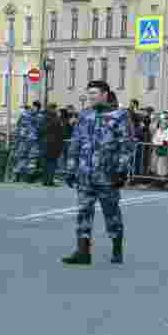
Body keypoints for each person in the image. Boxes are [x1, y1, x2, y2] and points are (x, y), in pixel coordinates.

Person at [61, 82, 134, 266]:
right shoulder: (85, 115)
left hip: (108, 175)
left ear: (105, 94)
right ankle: (83, 252)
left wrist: (121, 171)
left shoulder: (119, 116)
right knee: (83, 213)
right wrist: (71, 169)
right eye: (89, 93)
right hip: (85, 174)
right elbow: (76, 142)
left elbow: (126, 145)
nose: (91, 96)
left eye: (94, 93)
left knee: (112, 214)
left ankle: (117, 249)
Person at [12, 99, 47, 183]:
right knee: (23, 157)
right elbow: (19, 126)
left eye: (37, 107)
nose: (36, 109)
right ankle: (18, 175)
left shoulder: (29, 115)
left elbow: (19, 126)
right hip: (28, 139)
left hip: (30, 140)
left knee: (31, 158)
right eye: (36, 107)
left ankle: (27, 176)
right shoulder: (35, 116)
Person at [43, 103, 68, 187]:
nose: (56, 110)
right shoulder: (56, 119)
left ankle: (45, 180)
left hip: (45, 143)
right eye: (55, 108)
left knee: (46, 162)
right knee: (52, 162)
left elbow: (40, 131)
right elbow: (62, 132)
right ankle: (49, 180)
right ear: (53, 109)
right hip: (54, 144)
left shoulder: (43, 118)